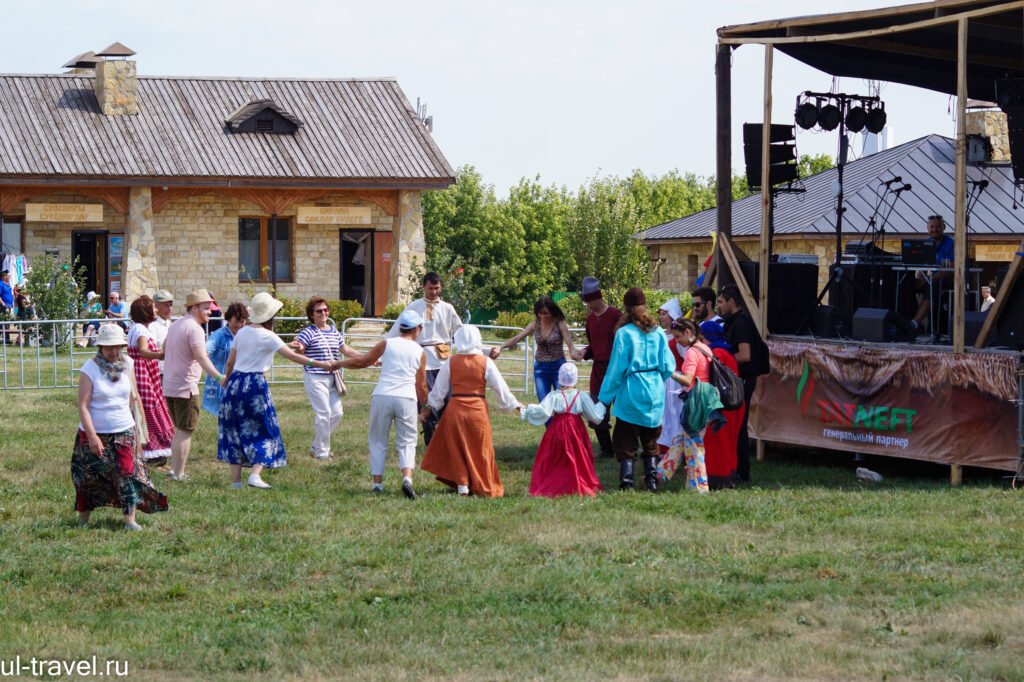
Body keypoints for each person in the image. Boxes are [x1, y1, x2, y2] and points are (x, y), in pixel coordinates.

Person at [217, 292, 337, 489]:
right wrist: (322, 364)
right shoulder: (268, 336)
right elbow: (294, 357)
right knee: (265, 428)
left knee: (235, 430)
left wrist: (227, 381)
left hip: (235, 383)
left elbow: (230, 362)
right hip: (255, 384)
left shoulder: (242, 333)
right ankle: (255, 474)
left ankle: (235, 482)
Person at [72, 324, 168, 530]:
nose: (114, 352)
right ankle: (83, 521)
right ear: (100, 347)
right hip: (94, 431)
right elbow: (83, 406)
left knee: (127, 475)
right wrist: (92, 437)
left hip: (124, 429)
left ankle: (130, 521)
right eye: (109, 347)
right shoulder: (89, 369)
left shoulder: (128, 363)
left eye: (117, 347)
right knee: (88, 478)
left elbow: (133, 397)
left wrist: (140, 428)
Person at [420, 325, 523, 497]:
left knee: (457, 447)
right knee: (480, 448)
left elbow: (439, 390)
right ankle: (481, 484)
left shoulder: (451, 361)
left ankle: (463, 486)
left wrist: (429, 408)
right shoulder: (485, 361)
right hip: (477, 410)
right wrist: (515, 404)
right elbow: (500, 388)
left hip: (455, 409)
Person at [341, 309, 428, 498]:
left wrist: (338, 364)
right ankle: (407, 478)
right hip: (406, 397)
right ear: (417, 329)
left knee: (378, 440)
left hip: (383, 394)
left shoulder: (386, 344)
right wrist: (426, 406)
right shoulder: (419, 351)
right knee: (407, 441)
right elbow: (421, 384)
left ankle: (377, 484)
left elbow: (363, 361)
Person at [598, 287, 675, 492]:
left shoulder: (623, 333)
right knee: (651, 439)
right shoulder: (658, 331)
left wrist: (603, 399)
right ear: (644, 306)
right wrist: (655, 379)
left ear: (626, 308)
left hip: (632, 390)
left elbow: (615, 370)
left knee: (625, 440)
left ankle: (627, 483)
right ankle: (651, 482)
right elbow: (668, 366)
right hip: (654, 391)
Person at [387, 272, 462, 445]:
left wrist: (477, 348)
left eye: (437, 288)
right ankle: (429, 429)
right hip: (421, 358)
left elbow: (460, 330)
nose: (434, 292)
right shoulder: (413, 307)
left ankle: (445, 433)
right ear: (423, 287)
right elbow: (397, 329)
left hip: (443, 358)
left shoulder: (447, 308)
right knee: (425, 397)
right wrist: (384, 352)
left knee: (448, 396)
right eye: (430, 288)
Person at [162, 289, 226, 482]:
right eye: (207, 308)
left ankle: (174, 470)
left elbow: (164, 349)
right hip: (185, 386)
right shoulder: (195, 328)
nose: (210, 312)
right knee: (185, 430)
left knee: (179, 429)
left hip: (169, 385)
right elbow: (202, 357)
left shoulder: (175, 324)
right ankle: (179, 474)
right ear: (195, 307)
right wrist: (219, 378)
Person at [289, 297, 362, 460]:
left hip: (332, 377)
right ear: (311, 314)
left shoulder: (333, 330)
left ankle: (317, 444)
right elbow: (300, 349)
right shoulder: (308, 332)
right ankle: (322, 452)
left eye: (325, 310)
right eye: (319, 311)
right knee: (324, 412)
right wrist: (298, 347)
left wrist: (367, 357)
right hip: (314, 377)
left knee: (337, 413)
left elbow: (345, 349)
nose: (323, 313)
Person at [522, 362, 604, 498]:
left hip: (557, 428)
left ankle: (555, 480)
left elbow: (543, 410)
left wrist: (527, 410)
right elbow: (594, 416)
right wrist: (601, 408)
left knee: (555, 455)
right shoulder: (581, 396)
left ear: (560, 378)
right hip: (576, 429)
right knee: (578, 455)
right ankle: (576, 479)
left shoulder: (555, 395)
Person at [719, 283, 766, 484]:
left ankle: (740, 473)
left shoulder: (740, 323)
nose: (718, 306)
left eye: (720, 302)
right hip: (739, 378)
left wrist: (719, 364)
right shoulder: (735, 321)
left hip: (743, 379)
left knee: (737, 426)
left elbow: (745, 355)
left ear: (731, 302)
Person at [658, 320, 713, 492]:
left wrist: (670, 373)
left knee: (694, 448)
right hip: (704, 401)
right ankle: (658, 475)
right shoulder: (705, 348)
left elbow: (687, 379)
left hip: (695, 404)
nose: (677, 340)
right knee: (680, 442)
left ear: (688, 332)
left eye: (678, 336)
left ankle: (699, 488)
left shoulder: (691, 353)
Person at [570, 277, 621, 458]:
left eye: (591, 300)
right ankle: (606, 450)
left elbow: (622, 344)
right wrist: (585, 352)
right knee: (595, 410)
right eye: (587, 301)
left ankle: (623, 448)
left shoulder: (615, 315)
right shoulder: (590, 319)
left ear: (599, 297)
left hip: (617, 370)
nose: (589, 304)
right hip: (598, 371)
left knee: (622, 410)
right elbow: (593, 345)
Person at [491, 296, 577, 401]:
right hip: (540, 368)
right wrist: (501, 347)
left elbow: (570, 344)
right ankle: (547, 418)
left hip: (558, 367)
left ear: (552, 311)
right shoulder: (534, 325)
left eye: (545, 313)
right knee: (544, 403)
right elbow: (518, 337)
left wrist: (573, 353)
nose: (542, 316)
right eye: (540, 313)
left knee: (562, 401)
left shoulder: (560, 324)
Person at [126, 295, 174, 467]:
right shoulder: (140, 330)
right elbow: (143, 351)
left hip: (147, 375)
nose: (156, 310)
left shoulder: (139, 328)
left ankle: (155, 453)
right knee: (150, 410)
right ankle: (153, 452)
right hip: (143, 376)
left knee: (149, 410)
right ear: (145, 311)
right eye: (153, 308)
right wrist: (161, 355)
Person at [202, 302, 249, 418]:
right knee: (226, 418)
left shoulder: (247, 335)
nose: (239, 325)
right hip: (223, 384)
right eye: (236, 322)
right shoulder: (219, 336)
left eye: (242, 322)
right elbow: (204, 352)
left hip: (242, 383)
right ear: (228, 319)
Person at [910, 215, 955, 333]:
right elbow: (923, 267)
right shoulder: (927, 243)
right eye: (932, 227)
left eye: (938, 227)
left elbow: (952, 267)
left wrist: (926, 279)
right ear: (927, 228)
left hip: (950, 280)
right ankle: (906, 321)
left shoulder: (952, 243)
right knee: (908, 284)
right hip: (932, 279)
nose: (935, 230)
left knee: (932, 285)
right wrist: (919, 279)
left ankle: (914, 323)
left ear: (944, 227)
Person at [655, 297, 685, 456]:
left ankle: (677, 449)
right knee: (664, 413)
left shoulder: (678, 337)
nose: (661, 317)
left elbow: (686, 358)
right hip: (664, 381)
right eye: (660, 314)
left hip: (676, 380)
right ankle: (664, 446)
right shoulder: (661, 334)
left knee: (675, 413)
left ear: (672, 315)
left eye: (664, 314)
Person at [692, 286, 730, 350]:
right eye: (693, 305)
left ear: (709, 304)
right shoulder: (699, 324)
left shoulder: (720, 324)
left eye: (697, 305)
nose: (694, 308)